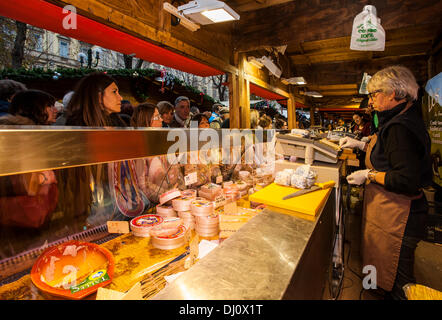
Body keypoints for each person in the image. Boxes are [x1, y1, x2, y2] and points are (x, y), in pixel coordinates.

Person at [339, 65, 432, 300]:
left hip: (399, 215)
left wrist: (368, 175)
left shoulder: (401, 127)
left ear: (394, 93)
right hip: (384, 210)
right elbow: (385, 151)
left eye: (374, 94)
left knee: (398, 279)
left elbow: (406, 180)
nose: (371, 101)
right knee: (374, 260)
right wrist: (362, 145)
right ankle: (372, 290)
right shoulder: (396, 118)